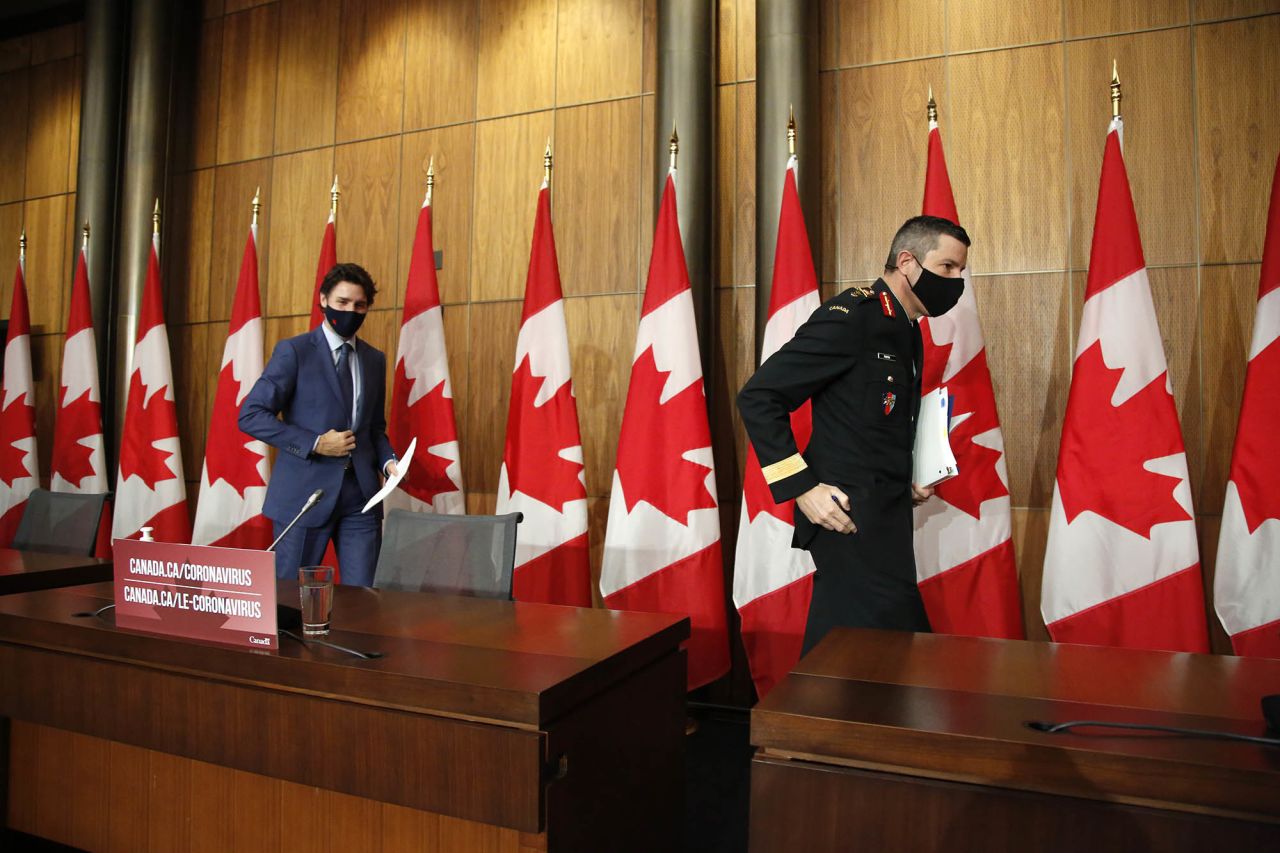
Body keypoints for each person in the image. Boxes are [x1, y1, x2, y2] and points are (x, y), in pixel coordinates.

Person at [737, 215, 969, 653]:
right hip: (844, 515)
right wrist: (802, 488)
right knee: (879, 654)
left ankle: (807, 722)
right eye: (948, 268)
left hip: (885, 513)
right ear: (908, 261)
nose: (957, 281)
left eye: (961, 271)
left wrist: (908, 479)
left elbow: (876, 424)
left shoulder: (907, 328)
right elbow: (759, 396)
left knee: (855, 655)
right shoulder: (853, 316)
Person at [240, 262, 399, 586]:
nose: (351, 311)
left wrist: (388, 462)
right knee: (289, 599)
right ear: (324, 300)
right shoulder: (294, 351)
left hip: (361, 499)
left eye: (359, 305)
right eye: (342, 303)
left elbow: (374, 428)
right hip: (304, 494)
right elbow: (251, 415)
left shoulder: (374, 359)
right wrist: (315, 442)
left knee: (365, 600)